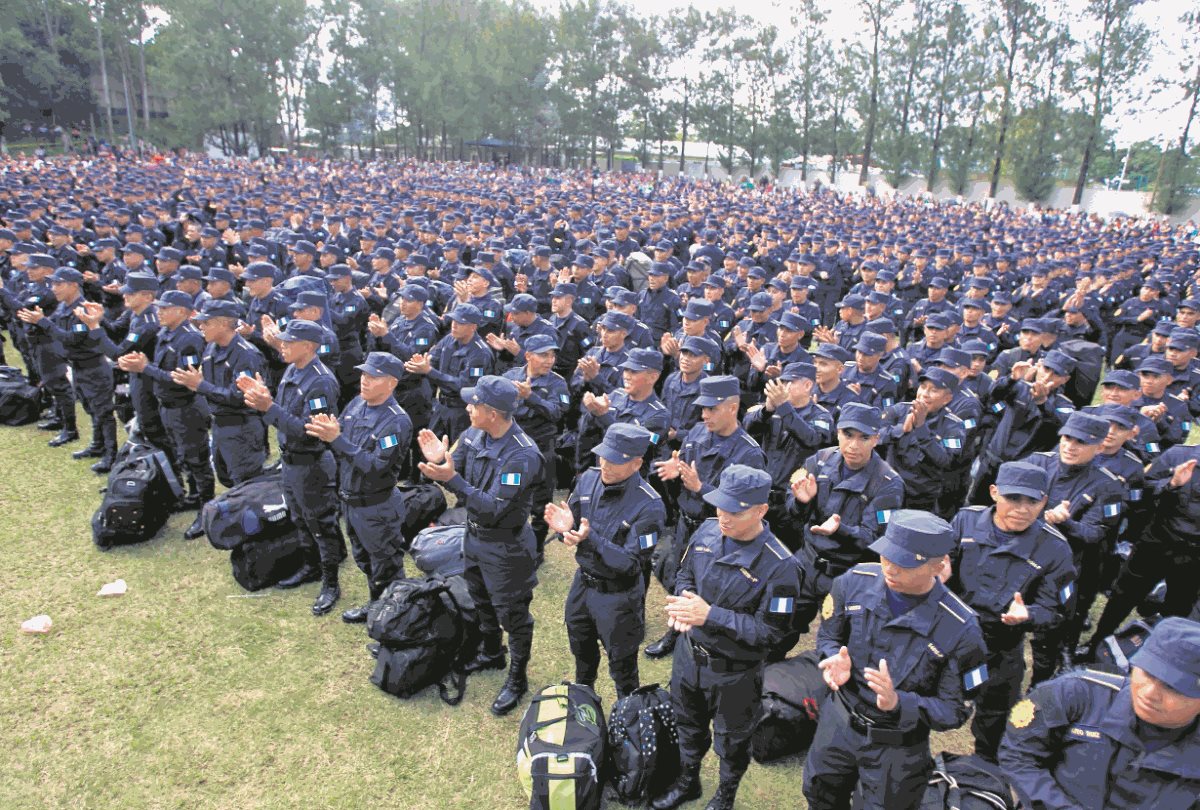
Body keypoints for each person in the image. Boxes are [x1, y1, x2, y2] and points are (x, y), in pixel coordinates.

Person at [803, 510, 988, 810]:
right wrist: (833, 657)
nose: (890, 569)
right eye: (887, 556)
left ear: (938, 566)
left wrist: (899, 702)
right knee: (819, 792)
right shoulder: (853, 583)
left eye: (904, 564)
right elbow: (828, 636)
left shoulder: (962, 629)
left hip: (897, 746)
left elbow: (955, 710)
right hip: (839, 722)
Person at [651, 465, 801, 810]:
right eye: (721, 506)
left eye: (736, 510)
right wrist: (686, 598)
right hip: (690, 657)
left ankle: (725, 795)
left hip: (735, 672)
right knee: (687, 725)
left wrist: (710, 615)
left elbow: (772, 632)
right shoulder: (706, 531)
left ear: (761, 511)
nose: (724, 516)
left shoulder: (781, 567)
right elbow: (684, 573)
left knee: (732, 742)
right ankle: (689, 781)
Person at [416, 375, 543, 716]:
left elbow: (495, 507)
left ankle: (517, 676)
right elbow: (463, 475)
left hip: (506, 547)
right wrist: (444, 461)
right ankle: (491, 653)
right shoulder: (475, 434)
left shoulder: (522, 455)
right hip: (474, 536)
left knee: (513, 614)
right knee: (481, 599)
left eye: (475, 404)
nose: (468, 407)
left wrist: (451, 479)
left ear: (493, 412)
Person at [945, 462, 1076, 761]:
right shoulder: (965, 521)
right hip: (951, 636)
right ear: (994, 493)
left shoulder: (1055, 549)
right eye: (1013, 498)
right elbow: (942, 567)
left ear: (1045, 501)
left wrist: (1028, 614)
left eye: (1033, 501)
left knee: (995, 719)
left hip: (1001, 645)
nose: (1022, 509)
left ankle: (984, 769)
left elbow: (1056, 612)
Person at [999, 616, 1200, 809]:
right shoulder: (1075, 694)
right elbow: (1018, 752)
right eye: (1147, 672)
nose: (1149, 693)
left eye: (1172, 687)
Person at [647, 375, 766, 659]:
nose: (704, 414)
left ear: (733, 407)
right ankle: (676, 631)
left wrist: (702, 488)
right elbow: (683, 480)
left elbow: (746, 505)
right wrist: (675, 476)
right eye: (703, 408)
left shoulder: (748, 452)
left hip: (720, 532)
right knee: (679, 576)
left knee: (712, 588)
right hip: (686, 524)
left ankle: (708, 637)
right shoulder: (698, 433)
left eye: (712, 408)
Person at [544, 423, 666, 698]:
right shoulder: (588, 478)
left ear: (636, 464)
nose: (606, 465)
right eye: (603, 456)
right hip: (583, 586)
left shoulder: (649, 505)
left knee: (622, 669)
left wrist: (590, 539)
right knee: (581, 653)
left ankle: (627, 719)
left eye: (615, 461)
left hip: (618, 598)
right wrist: (565, 530)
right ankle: (584, 704)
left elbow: (631, 564)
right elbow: (572, 521)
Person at [239, 319, 345, 614]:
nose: (281, 345)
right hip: (291, 461)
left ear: (308, 347)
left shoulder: (320, 381)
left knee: (321, 524)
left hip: (311, 463)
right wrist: (266, 398)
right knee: (300, 517)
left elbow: (310, 430)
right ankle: (311, 566)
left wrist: (267, 407)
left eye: (289, 342)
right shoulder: (293, 368)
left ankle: (330, 582)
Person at [305, 352, 413, 625]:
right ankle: (376, 605)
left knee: (387, 567)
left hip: (376, 506)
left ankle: (394, 621)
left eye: (373, 377)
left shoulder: (396, 422)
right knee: (365, 560)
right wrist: (330, 432)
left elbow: (376, 466)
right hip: (351, 501)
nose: (364, 381)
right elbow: (340, 431)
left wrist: (337, 440)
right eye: (364, 374)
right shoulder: (357, 404)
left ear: (391, 383)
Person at [118, 290, 213, 538]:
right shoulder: (166, 333)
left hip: (186, 408)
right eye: (159, 308)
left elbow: (184, 380)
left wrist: (145, 368)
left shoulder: (189, 339)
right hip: (168, 406)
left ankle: (206, 510)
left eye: (165, 308)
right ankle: (194, 496)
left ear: (181, 311)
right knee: (183, 456)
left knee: (197, 459)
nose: (159, 312)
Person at [170, 300, 267, 489]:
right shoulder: (212, 348)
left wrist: (201, 386)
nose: (200, 327)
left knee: (246, 484)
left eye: (206, 323)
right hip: (220, 425)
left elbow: (241, 397)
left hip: (241, 427)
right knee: (225, 477)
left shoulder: (245, 355)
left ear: (223, 324)